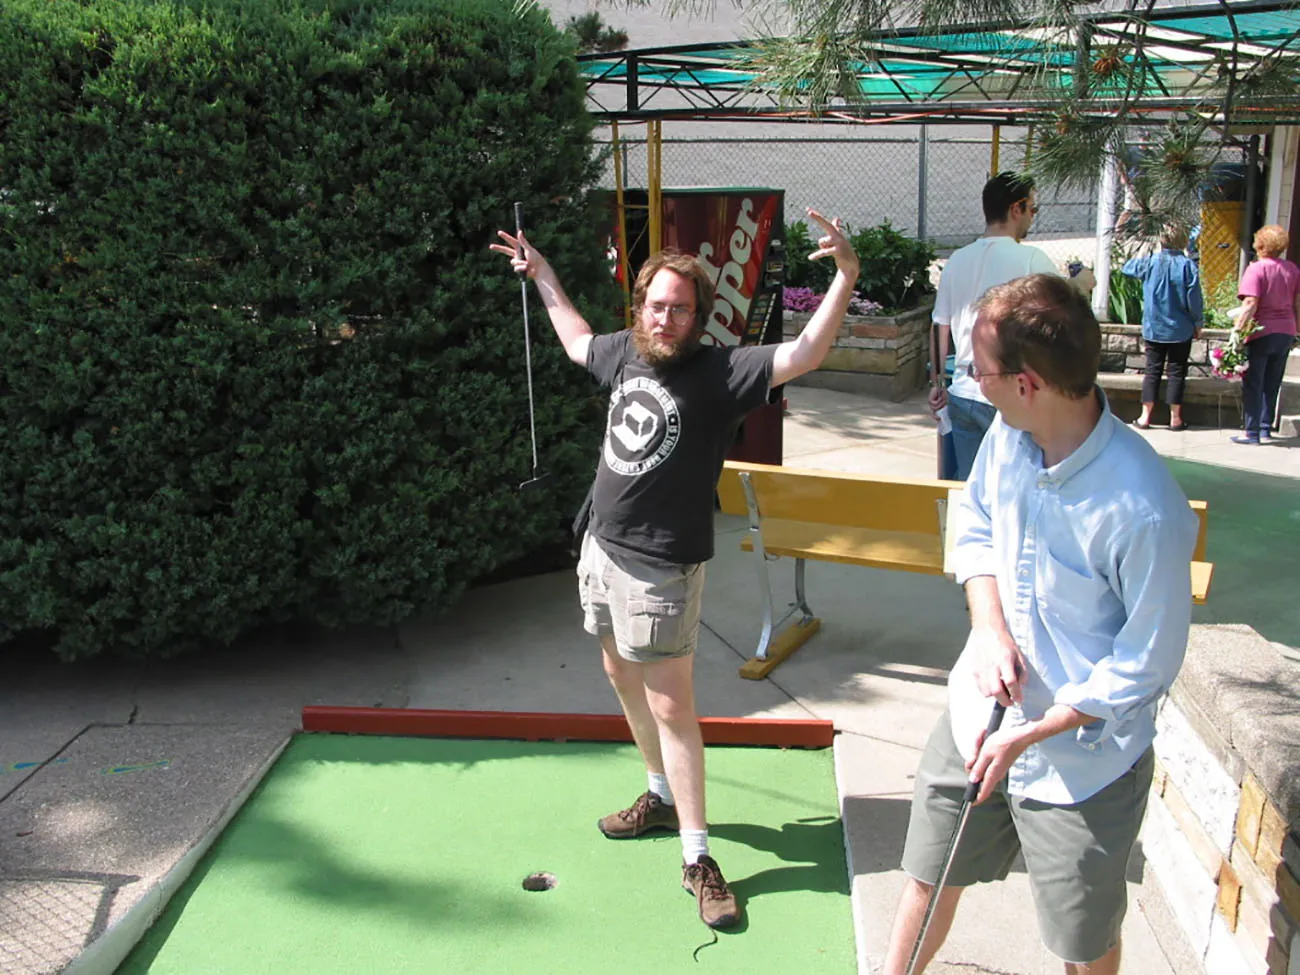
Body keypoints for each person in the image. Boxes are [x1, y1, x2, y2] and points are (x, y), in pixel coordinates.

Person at [490, 209, 859, 930]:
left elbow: (807, 353)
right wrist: (545, 276)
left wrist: (846, 275)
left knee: (671, 707)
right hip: (599, 547)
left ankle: (697, 855)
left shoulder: (723, 370)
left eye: (680, 308)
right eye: (657, 305)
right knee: (619, 675)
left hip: (662, 566)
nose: (666, 317)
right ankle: (657, 795)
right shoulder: (626, 350)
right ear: (643, 309)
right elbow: (574, 339)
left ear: (699, 316)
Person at [884, 274, 1198, 975]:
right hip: (977, 719)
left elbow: (1147, 659)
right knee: (928, 875)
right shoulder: (1009, 430)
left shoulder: (1142, 506)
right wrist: (990, 627)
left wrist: (1039, 728)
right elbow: (977, 522)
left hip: (1083, 766)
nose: (969, 380)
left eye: (978, 368)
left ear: (1027, 382)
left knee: (1081, 942)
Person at [928, 172, 1095, 480]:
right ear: (1015, 209)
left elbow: (940, 326)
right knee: (1017, 486)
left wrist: (938, 385)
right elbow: (1061, 310)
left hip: (963, 390)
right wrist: (1081, 284)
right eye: (1033, 208)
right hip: (1011, 396)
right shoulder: (1031, 259)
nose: (1033, 217)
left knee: (972, 486)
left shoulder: (956, 260)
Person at [1122, 223, 1204, 431]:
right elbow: (1194, 299)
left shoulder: (1151, 262)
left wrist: (1144, 247)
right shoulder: (1187, 266)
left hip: (1154, 327)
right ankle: (1175, 418)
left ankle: (1145, 416)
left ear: (1161, 241)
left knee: (1152, 371)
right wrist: (1198, 323)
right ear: (1184, 240)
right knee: (1177, 372)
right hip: (1180, 328)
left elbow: (1127, 267)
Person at [1231, 224, 1300, 445]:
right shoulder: (1292, 270)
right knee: (1272, 382)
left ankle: (1250, 432)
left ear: (1260, 245)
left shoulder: (1256, 269)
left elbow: (1251, 302)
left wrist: (1238, 332)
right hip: (1286, 331)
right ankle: (1264, 428)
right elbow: (1297, 303)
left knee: (1254, 382)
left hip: (1262, 331)